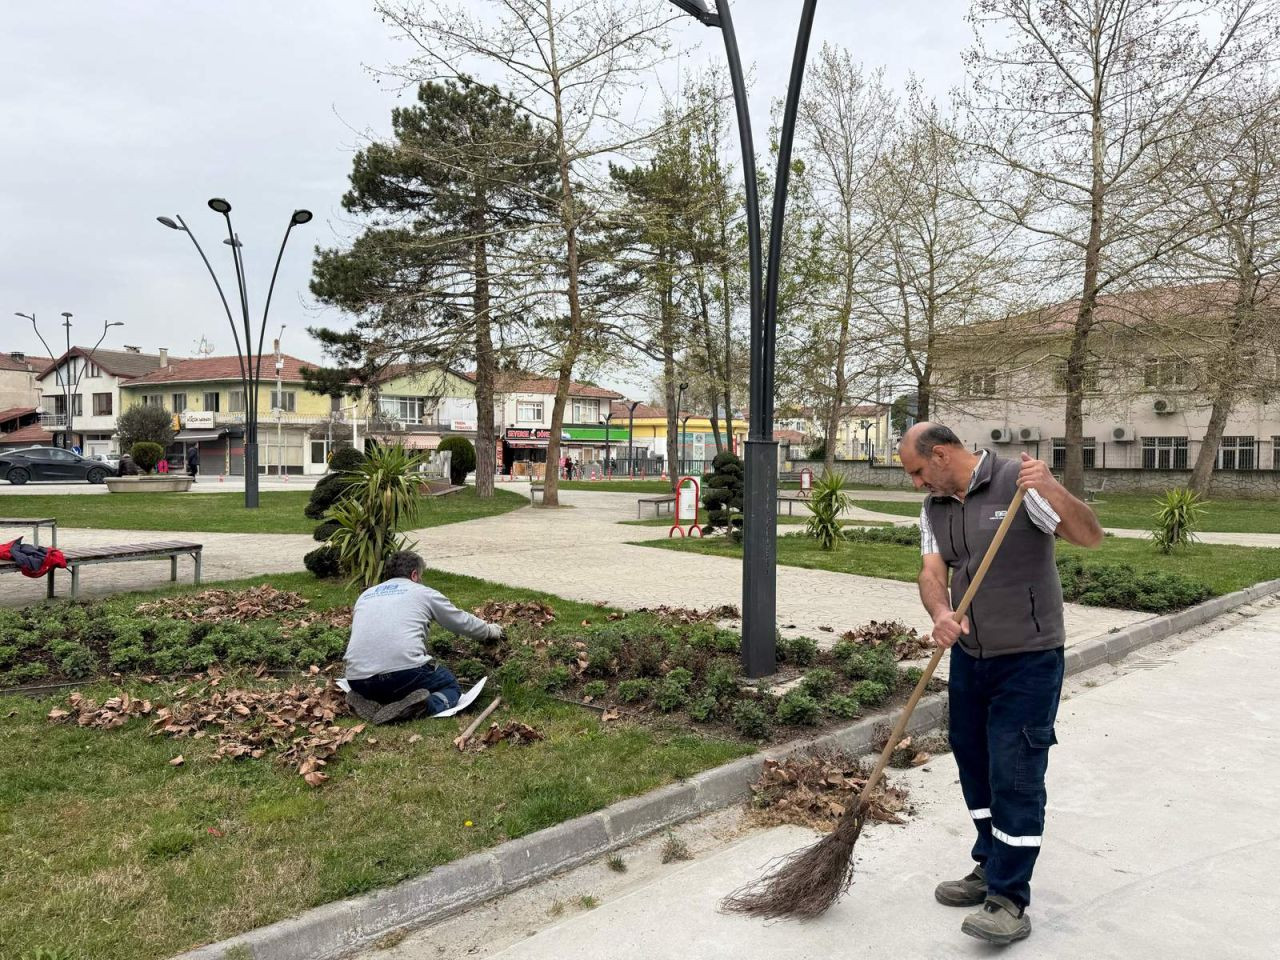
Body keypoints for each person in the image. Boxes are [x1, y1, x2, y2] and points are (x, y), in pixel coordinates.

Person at [898, 423, 1102, 946]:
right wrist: (941, 611)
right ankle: (990, 862)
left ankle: (1010, 898)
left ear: (941, 455)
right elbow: (930, 571)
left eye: (918, 472)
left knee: (1015, 770)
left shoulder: (1019, 484)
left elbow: (1089, 535)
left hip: (1029, 659)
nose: (917, 484)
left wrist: (1050, 486)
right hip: (970, 654)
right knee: (972, 758)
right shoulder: (935, 508)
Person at [342, 550, 504, 715]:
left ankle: (371, 700)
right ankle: (420, 707)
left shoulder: (365, 596)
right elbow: (461, 621)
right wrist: (490, 631)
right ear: (414, 575)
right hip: (405, 674)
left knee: (389, 686)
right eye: (421, 576)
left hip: (358, 679)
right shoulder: (423, 593)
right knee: (450, 686)